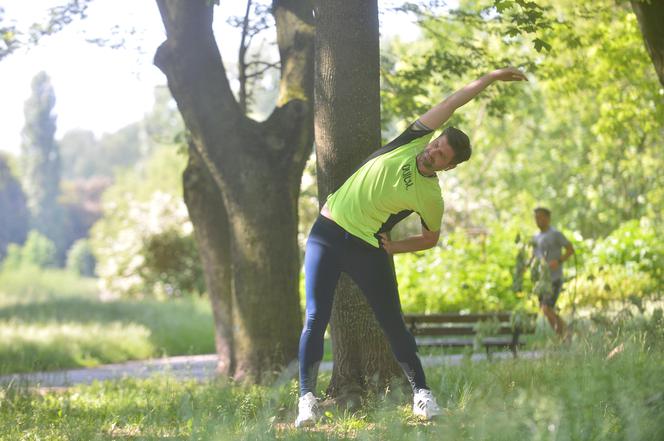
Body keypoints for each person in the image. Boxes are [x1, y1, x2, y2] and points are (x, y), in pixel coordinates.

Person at [295, 67, 528, 428]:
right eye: (436, 145)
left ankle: (422, 394)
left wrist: (396, 247)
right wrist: (489, 78)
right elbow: (452, 103)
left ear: (447, 167)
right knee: (315, 317)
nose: (432, 152)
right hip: (325, 233)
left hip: (366, 247)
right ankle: (306, 400)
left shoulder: (431, 197)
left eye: (439, 156)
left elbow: (431, 238)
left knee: (392, 324)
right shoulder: (414, 140)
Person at [530, 207, 574, 336]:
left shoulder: (555, 234)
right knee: (546, 310)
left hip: (554, 278)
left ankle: (565, 337)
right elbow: (534, 256)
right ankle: (566, 334)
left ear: (548, 218)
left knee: (546, 308)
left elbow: (570, 250)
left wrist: (558, 261)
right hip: (541, 281)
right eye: (536, 217)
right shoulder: (535, 237)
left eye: (541, 217)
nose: (538, 220)